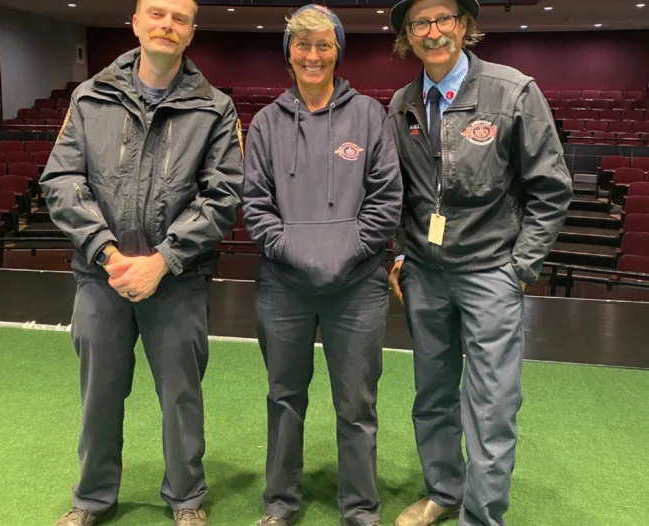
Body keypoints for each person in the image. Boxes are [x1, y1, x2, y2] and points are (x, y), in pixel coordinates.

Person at [40, 0, 243, 524]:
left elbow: (222, 196)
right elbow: (61, 182)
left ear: (191, 32)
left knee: (181, 398)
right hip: (100, 278)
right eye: (156, 14)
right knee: (99, 397)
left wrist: (163, 260)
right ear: (135, 22)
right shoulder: (90, 97)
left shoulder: (214, 107)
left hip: (178, 280)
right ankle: (91, 498)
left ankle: (186, 499)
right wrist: (108, 253)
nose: (166, 26)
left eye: (178, 19)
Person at [386, 1, 573, 525]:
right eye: (420, 22)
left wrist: (520, 266)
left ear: (464, 25)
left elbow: (552, 189)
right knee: (433, 394)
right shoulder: (402, 104)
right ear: (408, 35)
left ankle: (482, 515)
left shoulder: (513, 91)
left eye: (444, 18)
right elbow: (401, 194)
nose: (434, 32)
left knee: (491, 403)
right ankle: (443, 491)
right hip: (424, 273)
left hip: (491, 270)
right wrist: (402, 254)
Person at [242, 5, 402, 526]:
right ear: (288, 52)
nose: (313, 55)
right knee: (283, 397)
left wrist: (341, 254)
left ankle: (360, 507)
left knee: (357, 405)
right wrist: (298, 253)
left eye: (323, 45)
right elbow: (255, 206)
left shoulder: (371, 116)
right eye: (302, 44)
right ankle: (280, 503)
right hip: (283, 287)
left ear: (338, 51)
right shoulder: (266, 123)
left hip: (357, 287)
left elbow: (386, 201)